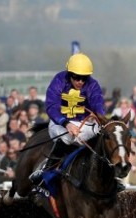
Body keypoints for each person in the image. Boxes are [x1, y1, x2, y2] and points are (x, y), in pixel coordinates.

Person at [28, 53, 106, 185]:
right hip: (59, 123)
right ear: (69, 73)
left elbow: (97, 102)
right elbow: (52, 105)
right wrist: (66, 124)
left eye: (84, 78)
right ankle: (46, 169)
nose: (80, 81)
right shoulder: (59, 80)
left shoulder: (93, 85)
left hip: (82, 123)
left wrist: (99, 115)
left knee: (104, 134)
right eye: (77, 77)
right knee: (67, 137)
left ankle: (108, 173)